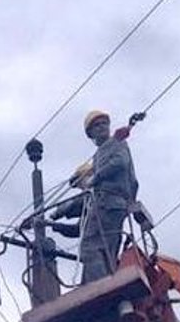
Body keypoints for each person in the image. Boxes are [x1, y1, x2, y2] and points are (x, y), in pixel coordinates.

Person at [50, 110, 140, 284]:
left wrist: (94, 179)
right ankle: (100, 284)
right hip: (113, 206)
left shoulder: (116, 144)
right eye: (96, 125)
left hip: (109, 204)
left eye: (103, 124)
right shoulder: (101, 154)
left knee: (91, 249)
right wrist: (53, 224)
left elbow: (119, 163)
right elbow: (78, 228)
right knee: (104, 253)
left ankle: (100, 287)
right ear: (91, 134)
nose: (101, 127)